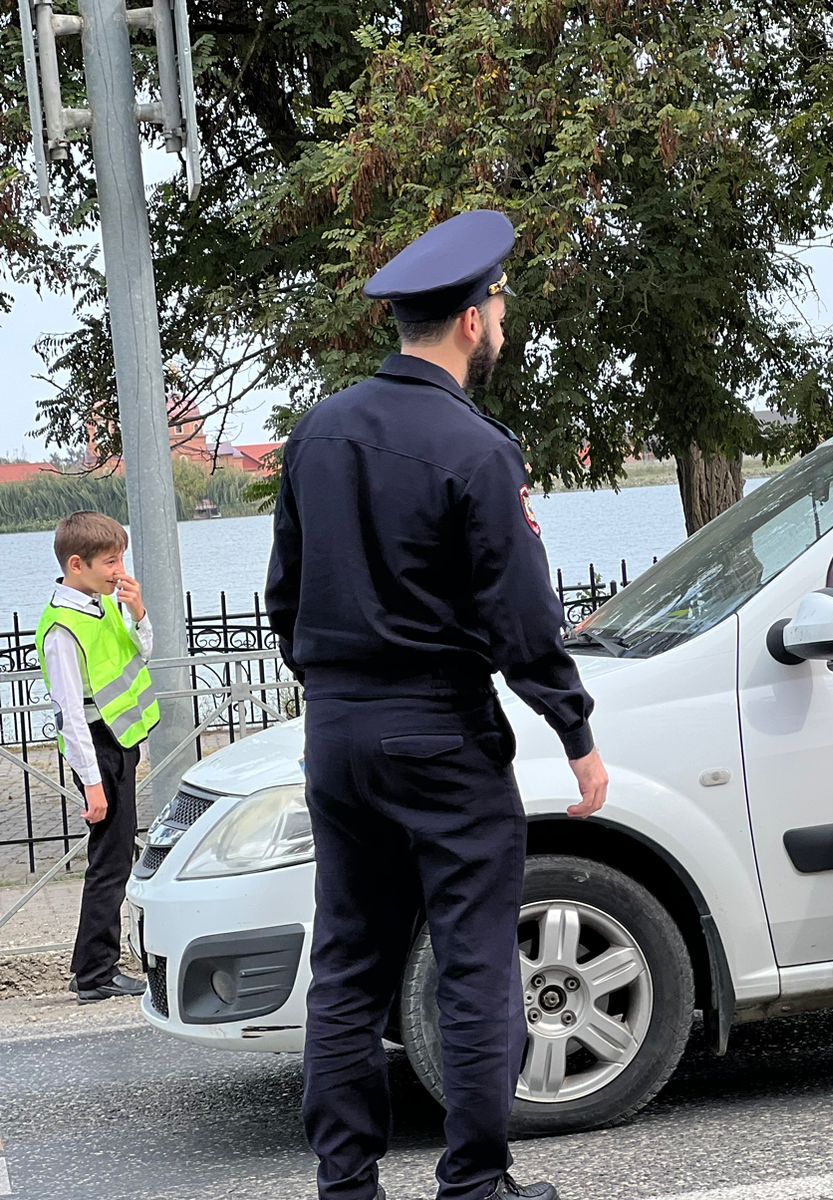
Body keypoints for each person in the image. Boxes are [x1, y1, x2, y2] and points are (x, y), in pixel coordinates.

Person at [266, 210, 608, 1200]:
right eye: (500, 307)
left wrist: (336, 694)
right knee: (472, 963)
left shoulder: (318, 433)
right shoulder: (477, 449)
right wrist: (573, 728)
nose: (502, 322)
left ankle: (346, 1186)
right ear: (470, 320)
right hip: (442, 732)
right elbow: (521, 616)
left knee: (348, 964)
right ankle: (473, 1185)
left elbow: (285, 594)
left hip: (338, 729)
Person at [35, 511, 159, 1004]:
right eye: (110, 561)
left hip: (118, 742)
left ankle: (92, 967)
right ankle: (95, 973)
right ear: (76, 564)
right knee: (109, 862)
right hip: (97, 749)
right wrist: (91, 784)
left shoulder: (101, 603)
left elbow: (140, 654)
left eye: (121, 558)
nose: (119, 570)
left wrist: (139, 612)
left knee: (114, 857)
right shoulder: (63, 628)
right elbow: (69, 714)